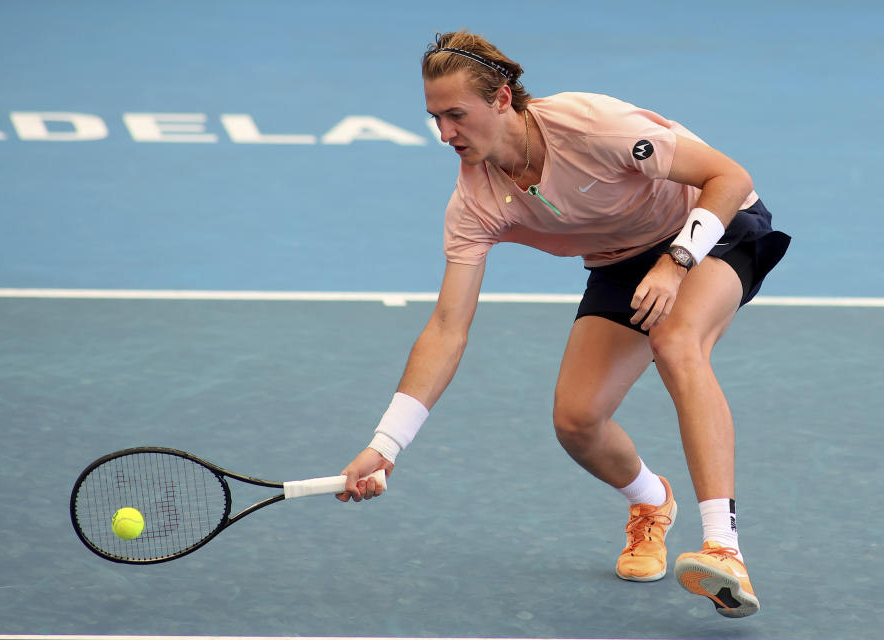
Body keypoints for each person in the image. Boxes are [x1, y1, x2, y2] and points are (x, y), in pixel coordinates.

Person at [337, 30, 790, 619]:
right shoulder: (474, 204)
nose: (445, 133)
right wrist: (385, 444)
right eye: (435, 118)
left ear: (502, 99)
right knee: (577, 420)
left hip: (709, 229)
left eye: (456, 115)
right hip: (621, 261)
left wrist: (677, 262)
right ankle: (652, 504)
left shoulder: (592, 127)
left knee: (677, 341)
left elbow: (726, 176)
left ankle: (723, 549)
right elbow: (447, 328)